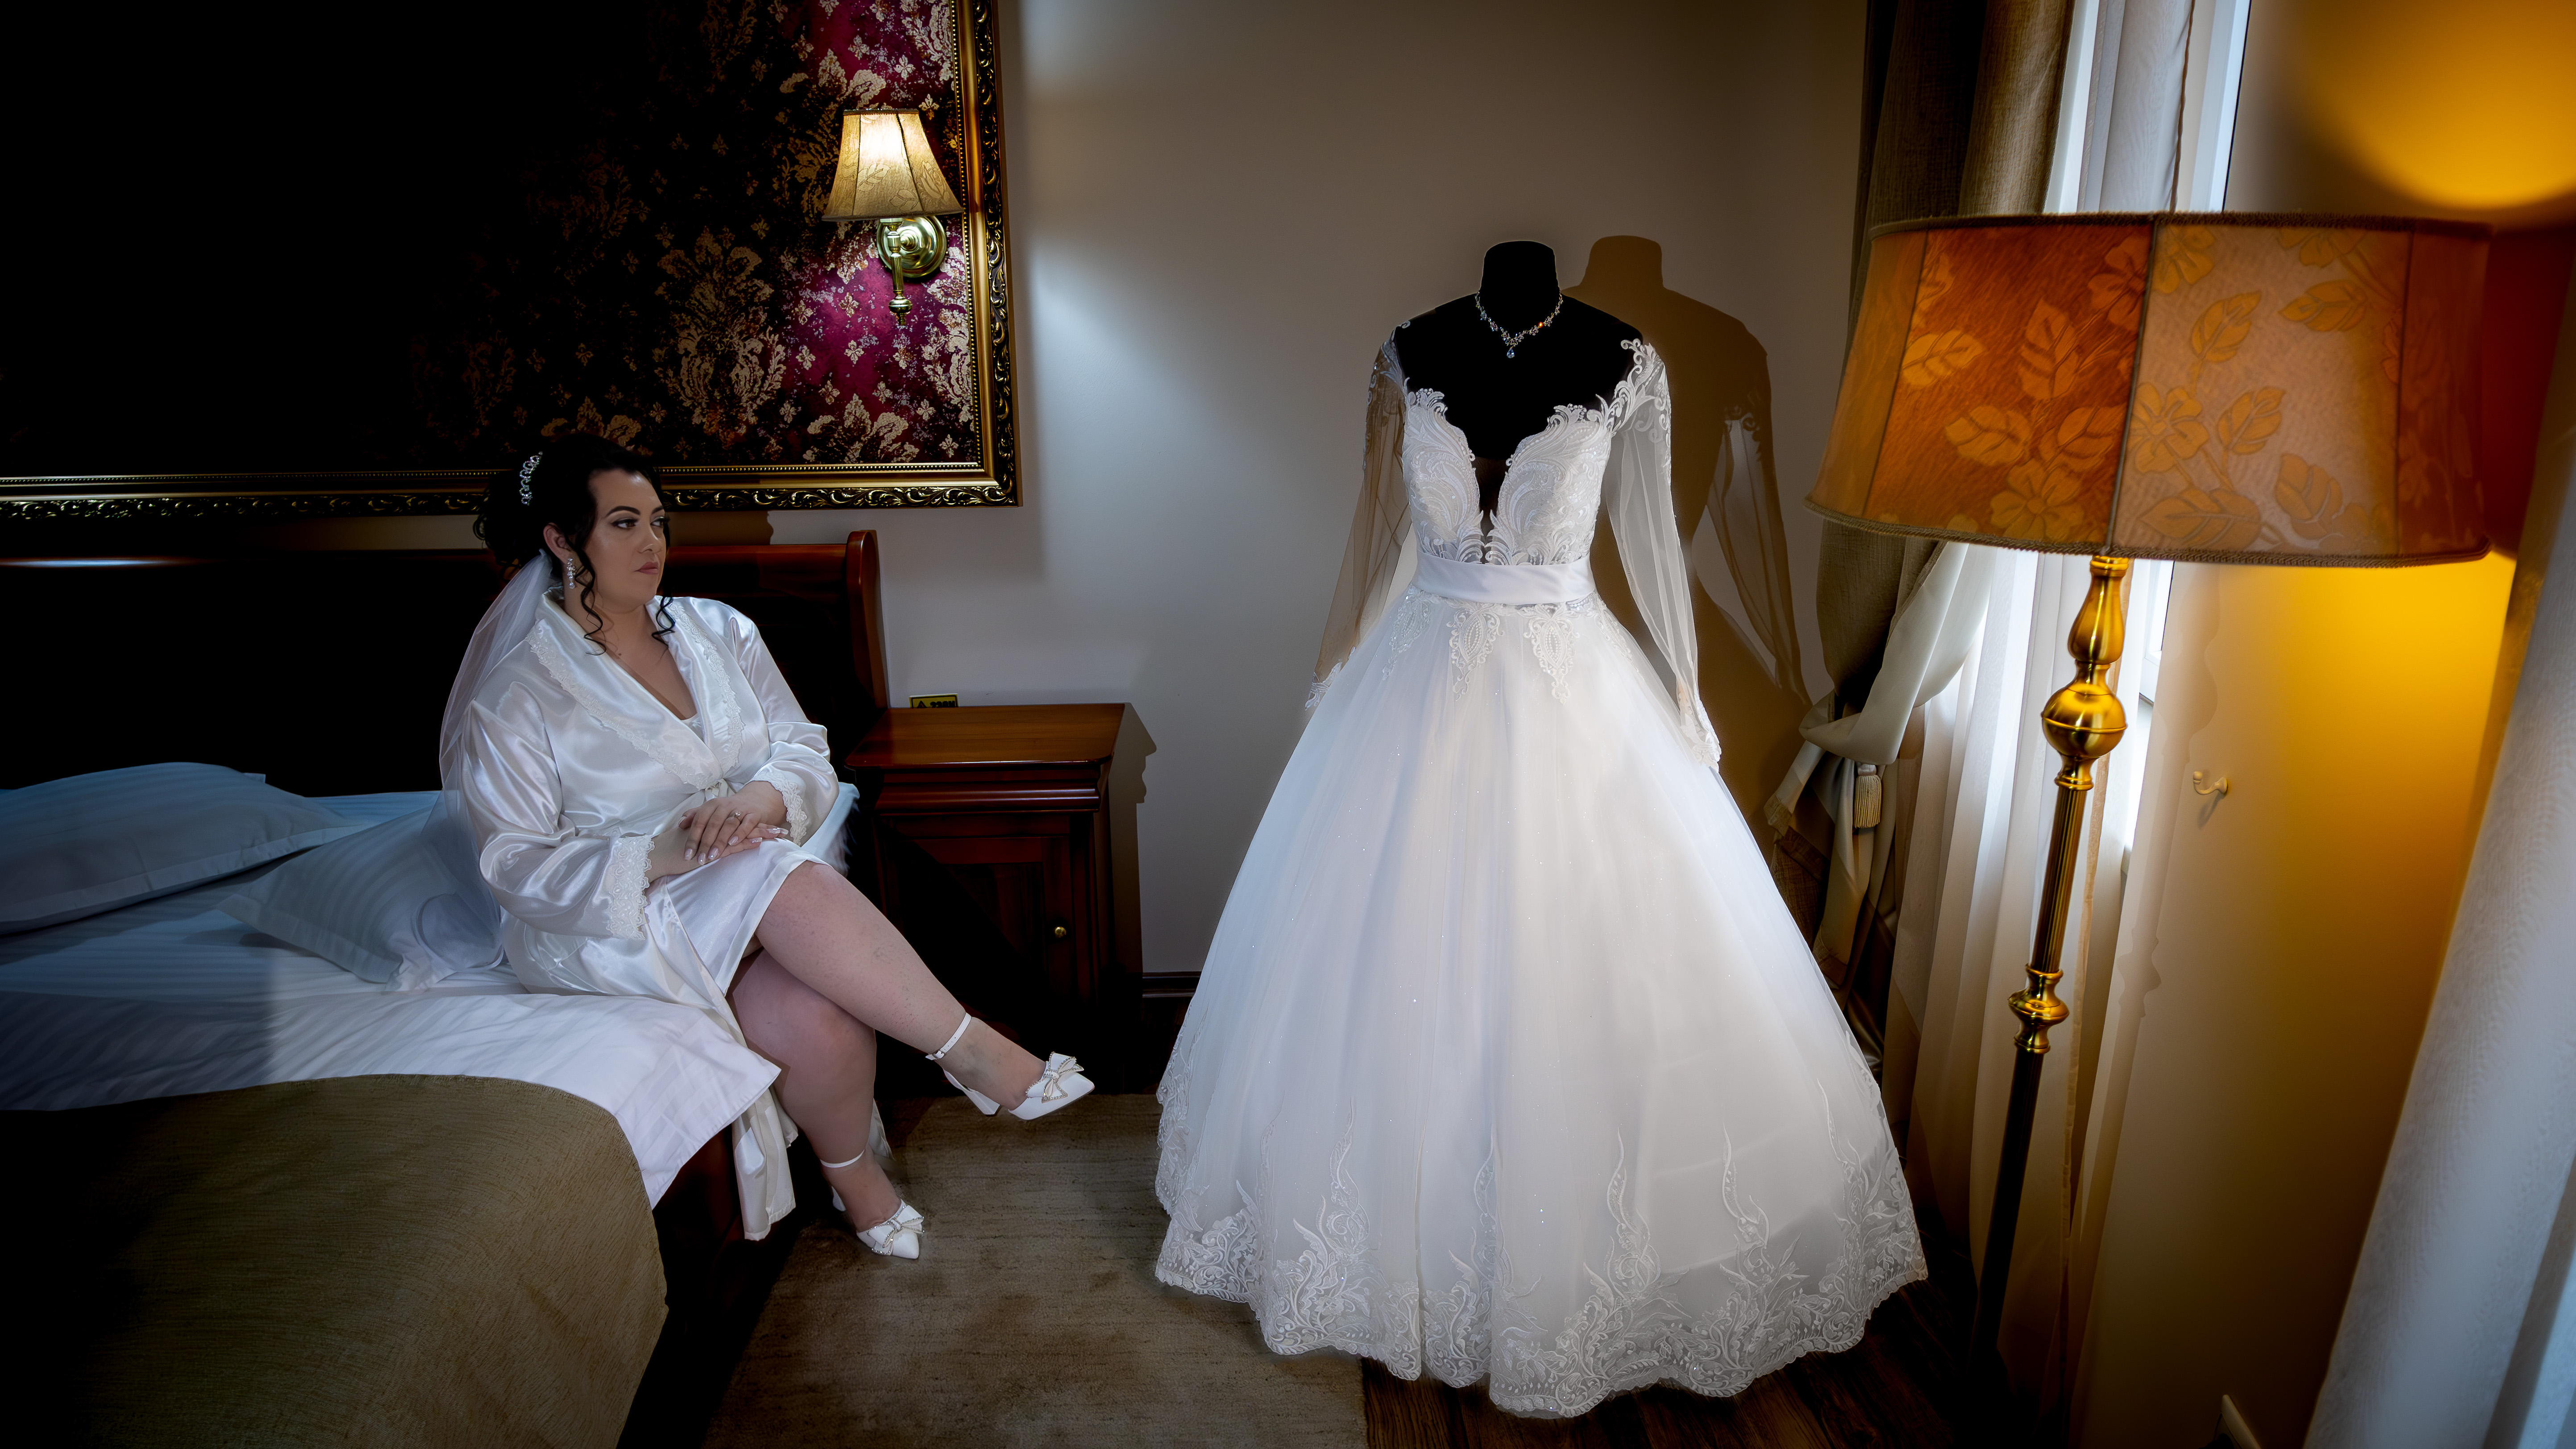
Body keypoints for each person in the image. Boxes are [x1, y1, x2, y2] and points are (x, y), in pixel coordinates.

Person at [1153, 244, 1924, 1416]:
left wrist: (1685, 693)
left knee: (1578, 963)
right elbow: (1375, 531)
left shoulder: (1625, 362)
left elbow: (1653, 542)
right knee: (1393, 960)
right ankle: (1395, 1247)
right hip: (1413, 683)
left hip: (1573, 686)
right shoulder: (1407, 354)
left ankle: (1580, 1266)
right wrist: (1334, 669)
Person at [444, 434, 1090, 1259]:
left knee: (818, 1011)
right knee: (769, 864)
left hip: (749, 882)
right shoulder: (518, 697)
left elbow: (802, 747)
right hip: (611, 922)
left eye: (659, 521)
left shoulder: (721, 631)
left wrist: (763, 797)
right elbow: (515, 865)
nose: (653, 544)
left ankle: (855, 1178)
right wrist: (663, 852)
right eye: (624, 523)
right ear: (563, 540)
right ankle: (972, 1052)